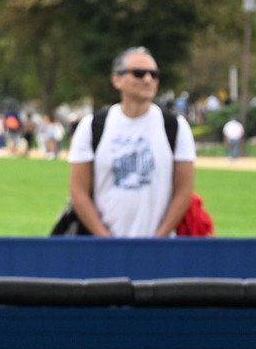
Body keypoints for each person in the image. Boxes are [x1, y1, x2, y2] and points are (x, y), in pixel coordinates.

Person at [66, 46, 197, 237]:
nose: (148, 79)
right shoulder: (92, 126)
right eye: (138, 73)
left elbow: (184, 192)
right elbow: (78, 192)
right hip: (104, 246)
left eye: (154, 74)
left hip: (159, 246)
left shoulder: (175, 126)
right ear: (117, 80)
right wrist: (105, 239)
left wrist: (158, 239)